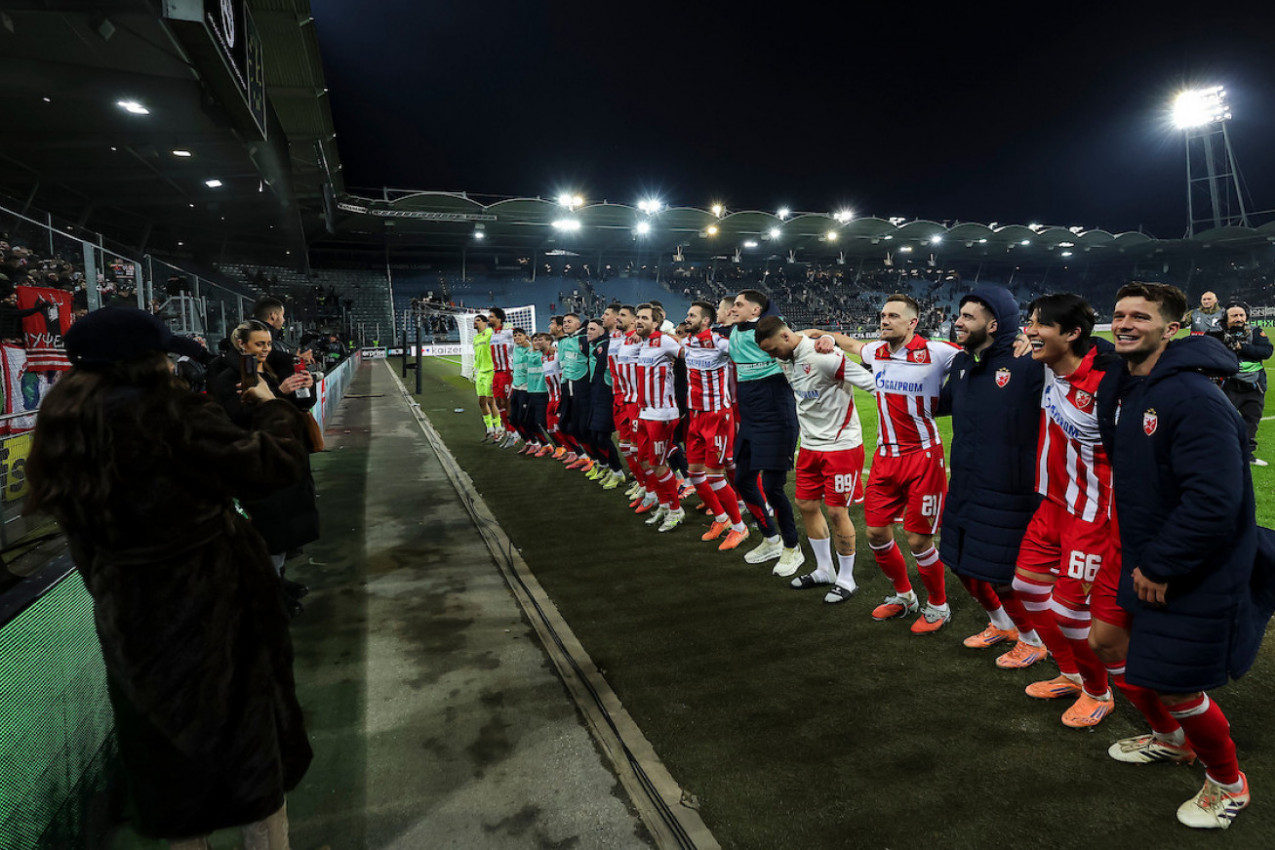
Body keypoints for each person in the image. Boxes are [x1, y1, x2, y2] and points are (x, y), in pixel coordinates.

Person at [26, 308, 312, 848]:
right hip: (217, 606)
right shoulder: (168, 412)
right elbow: (270, 466)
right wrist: (274, 411)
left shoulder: (64, 420)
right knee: (251, 758)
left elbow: (82, 542)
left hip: (130, 614)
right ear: (147, 360)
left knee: (171, 772)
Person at [1094, 281, 1268, 830]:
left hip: (1192, 563)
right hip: (1144, 550)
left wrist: (1164, 564)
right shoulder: (1129, 386)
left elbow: (1216, 500)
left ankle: (1227, 783)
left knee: (1176, 681)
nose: (1123, 324)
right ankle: (1171, 741)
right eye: (1119, 315)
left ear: (1172, 329)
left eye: (1139, 317)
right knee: (1107, 641)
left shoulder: (1193, 396)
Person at [812, 294, 960, 633]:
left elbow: (979, 359)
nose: (884, 320)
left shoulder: (938, 352)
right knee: (877, 533)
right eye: (882, 315)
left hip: (922, 455)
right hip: (884, 457)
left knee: (919, 539)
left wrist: (1017, 340)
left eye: (893, 316)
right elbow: (849, 342)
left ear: (912, 323)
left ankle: (938, 605)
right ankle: (904, 595)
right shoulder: (875, 352)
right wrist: (823, 334)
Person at [1014, 293, 1122, 727]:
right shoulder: (1046, 370)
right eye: (1029, 322)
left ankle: (1099, 692)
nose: (1030, 330)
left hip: (1094, 512)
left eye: (1040, 324)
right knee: (1026, 588)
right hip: (1052, 504)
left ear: (1073, 333)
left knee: (1071, 613)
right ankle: (1071, 673)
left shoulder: (1109, 382)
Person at [937, 287, 1047, 667]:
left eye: (968, 316)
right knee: (959, 562)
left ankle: (1033, 640)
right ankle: (1000, 624)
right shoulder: (963, 366)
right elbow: (938, 404)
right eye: (959, 314)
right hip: (966, 484)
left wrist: (1031, 340)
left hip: (1010, 489)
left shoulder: (1030, 364)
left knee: (1004, 576)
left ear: (994, 324)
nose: (958, 321)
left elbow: (1092, 357)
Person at [756, 317, 875, 600]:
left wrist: (830, 341)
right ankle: (825, 570)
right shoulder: (787, 353)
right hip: (809, 445)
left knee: (837, 512)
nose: (773, 357)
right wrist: (820, 335)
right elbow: (802, 334)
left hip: (841, 445)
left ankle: (846, 579)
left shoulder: (825, 358)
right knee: (806, 505)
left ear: (784, 337)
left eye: (773, 350)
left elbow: (873, 385)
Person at [208, 320, 319, 613]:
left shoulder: (267, 370)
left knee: (282, 536)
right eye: (259, 344)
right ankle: (269, 596)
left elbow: (296, 411)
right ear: (241, 344)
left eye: (268, 344)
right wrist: (278, 395)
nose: (266, 350)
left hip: (280, 462)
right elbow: (242, 421)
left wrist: (306, 389)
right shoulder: (226, 378)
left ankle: (278, 582)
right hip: (259, 467)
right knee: (270, 537)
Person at [728, 290, 804, 575]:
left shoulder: (773, 329)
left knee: (773, 487)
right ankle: (771, 538)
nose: (734, 308)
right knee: (742, 479)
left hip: (775, 413)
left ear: (756, 310)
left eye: (739, 304)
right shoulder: (733, 331)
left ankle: (792, 546)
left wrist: (826, 338)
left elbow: (799, 338)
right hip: (749, 417)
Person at [682, 301, 748, 551]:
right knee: (696, 475)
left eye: (692, 315)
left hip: (717, 417)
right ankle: (722, 519)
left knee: (715, 476)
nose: (687, 319)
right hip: (695, 417)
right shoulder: (685, 343)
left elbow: (746, 355)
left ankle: (739, 528)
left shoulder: (720, 343)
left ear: (706, 321)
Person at [632, 304, 686, 532]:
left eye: (644, 318)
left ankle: (676, 510)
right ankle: (664, 504)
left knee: (657, 463)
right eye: (638, 317)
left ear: (656, 323)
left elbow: (687, 355)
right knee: (644, 460)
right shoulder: (642, 343)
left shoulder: (664, 341)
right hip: (645, 412)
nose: (639, 321)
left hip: (662, 414)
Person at [1218, 302, 1272, 467]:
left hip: (1254, 387)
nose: (1239, 319)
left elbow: (1266, 351)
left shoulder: (1255, 332)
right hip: (1227, 385)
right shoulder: (1217, 334)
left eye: (1241, 315)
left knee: (1251, 420)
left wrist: (1242, 347)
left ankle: (1247, 455)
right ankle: (1218, 452)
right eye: (1234, 315)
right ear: (1226, 318)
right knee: (1220, 420)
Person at [488, 307, 516, 445]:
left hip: (507, 372)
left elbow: (524, 339)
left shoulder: (509, 332)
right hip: (496, 373)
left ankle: (514, 432)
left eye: (492, 317)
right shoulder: (490, 334)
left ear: (499, 319)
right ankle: (508, 430)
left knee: (507, 402)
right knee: (498, 402)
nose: (489, 319)